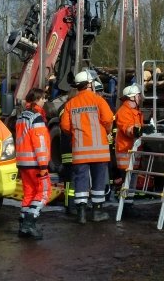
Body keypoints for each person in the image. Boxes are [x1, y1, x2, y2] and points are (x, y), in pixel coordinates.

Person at [60, 70, 115, 224]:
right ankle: (97, 213)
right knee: (98, 181)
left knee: (81, 182)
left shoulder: (70, 104)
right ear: (90, 84)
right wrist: (107, 131)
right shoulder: (98, 100)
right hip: (99, 151)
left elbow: (65, 126)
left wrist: (76, 134)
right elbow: (108, 119)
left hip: (80, 151)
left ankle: (81, 214)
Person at [14, 88, 52, 240]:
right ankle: (30, 223)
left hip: (23, 163)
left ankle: (23, 225)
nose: (45, 101)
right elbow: (40, 143)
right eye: (43, 98)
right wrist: (43, 165)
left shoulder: (21, 117)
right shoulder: (36, 118)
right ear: (37, 99)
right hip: (35, 163)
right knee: (44, 192)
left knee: (29, 194)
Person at [113, 84, 149, 216]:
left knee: (131, 179)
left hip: (132, 152)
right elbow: (128, 129)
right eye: (138, 95)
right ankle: (126, 207)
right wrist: (141, 130)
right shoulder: (124, 112)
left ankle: (128, 205)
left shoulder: (135, 111)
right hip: (126, 151)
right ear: (132, 97)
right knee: (128, 180)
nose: (140, 97)